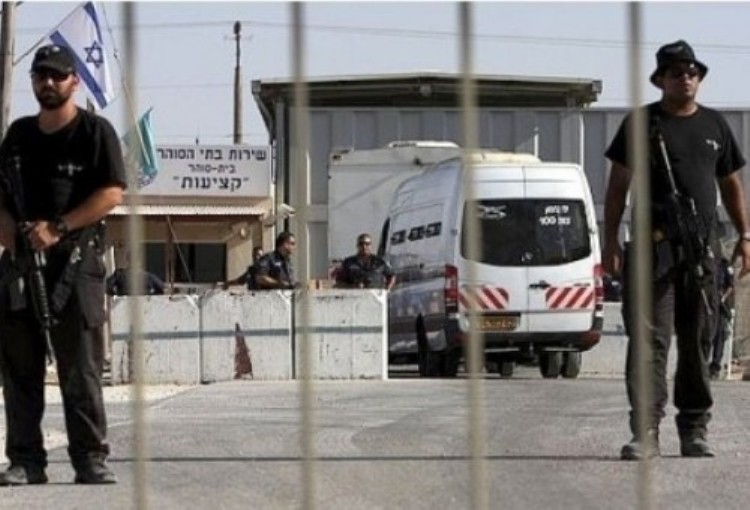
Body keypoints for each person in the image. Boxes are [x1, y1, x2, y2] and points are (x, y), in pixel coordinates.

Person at [603, 40, 750, 460]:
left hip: (701, 251)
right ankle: (645, 431)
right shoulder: (641, 123)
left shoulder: (715, 125)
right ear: (660, 80)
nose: (685, 78)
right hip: (652, 252)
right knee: (649, 343)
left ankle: (694, 429)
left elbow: (731, 185)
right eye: (676, 72)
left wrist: (745, 236)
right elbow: (618, 187)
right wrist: (610, 241)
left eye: (691, 72)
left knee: (698, 340)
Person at [0, 45, 127, 485]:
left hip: (76, 263)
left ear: (74, 81)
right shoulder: (19, 135)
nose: (48, 83)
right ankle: (26, 461)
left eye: (57, 75)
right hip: (21, 267)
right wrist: (11, 234)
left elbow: (111, 193)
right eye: (41, 76)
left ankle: (90, 458)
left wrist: (58, 227)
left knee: (80, 367)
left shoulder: (94, 132)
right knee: (20, 371)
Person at [709, 257, 734, 379]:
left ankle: (715, 367)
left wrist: (723, 297)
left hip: (720, 306)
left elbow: (730, 285)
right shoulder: (705, 260)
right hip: (707, 304)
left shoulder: (724, 265)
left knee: (719, 337)